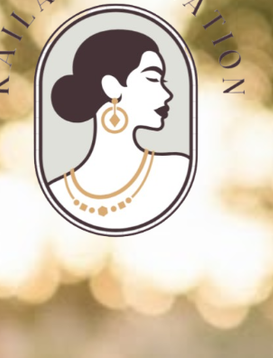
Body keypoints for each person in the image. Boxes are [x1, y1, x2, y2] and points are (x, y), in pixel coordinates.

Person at [44, 28, 189, 228]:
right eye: (153, 79)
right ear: (112, 86)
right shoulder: (59, 189)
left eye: (163, 81)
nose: (167, 94)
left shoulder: (177, 170)